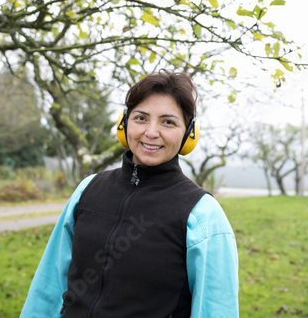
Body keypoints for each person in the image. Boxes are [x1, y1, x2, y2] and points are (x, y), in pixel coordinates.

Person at [20, 70, 239, 318]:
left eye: (168, 122)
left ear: (189, 134)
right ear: (124, 124)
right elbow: (49, 284)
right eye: (141, 118)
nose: (151, 132)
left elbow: (216, 309)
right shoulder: (88, 189)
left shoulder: (202, 214)